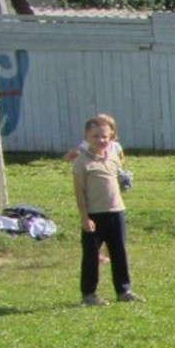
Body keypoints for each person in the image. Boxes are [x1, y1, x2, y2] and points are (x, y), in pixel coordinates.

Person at [71, 114, 143, 305]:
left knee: (119, 252)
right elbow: (79, 192)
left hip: (116, 212)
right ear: (87, 137)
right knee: (91, 256)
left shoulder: (113, 157)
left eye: (104, 136)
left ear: (111, 137)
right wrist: (84, 217)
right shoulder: (82, 162)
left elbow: (117, 180)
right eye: (95, 137)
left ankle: (123, 290)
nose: (101, 140)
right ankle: (88, 294)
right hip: (94, 214)